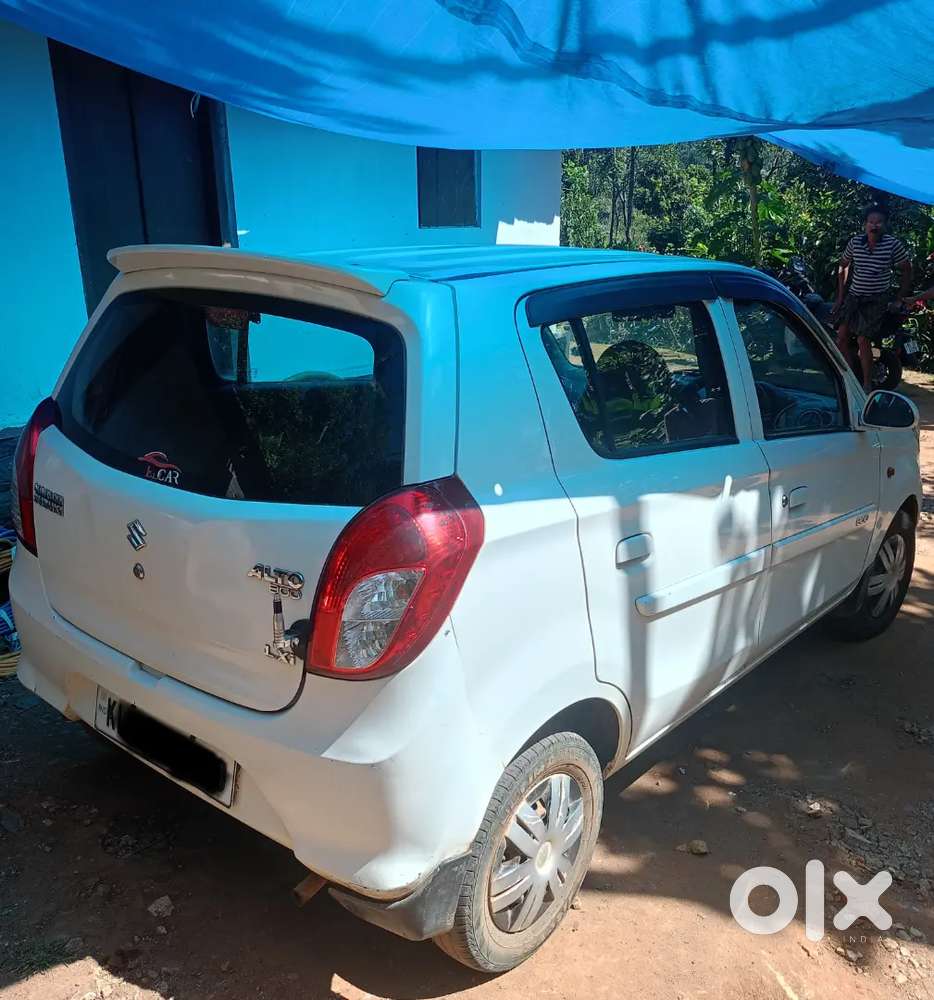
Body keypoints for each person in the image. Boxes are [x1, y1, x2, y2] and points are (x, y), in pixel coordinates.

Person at [833, 205, 912, 390]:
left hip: (876, 299)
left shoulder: (892, 244)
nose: (874, 226)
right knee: (841, 337)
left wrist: (900, 297)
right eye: (871, 222)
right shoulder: (855, 243)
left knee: (863, 339)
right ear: (865, 224)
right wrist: (840, 297)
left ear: (885, 225)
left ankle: (867, 385)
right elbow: (843, 265)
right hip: (854, 297)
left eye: (879, 222)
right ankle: (851, 379)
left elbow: (907, 270)